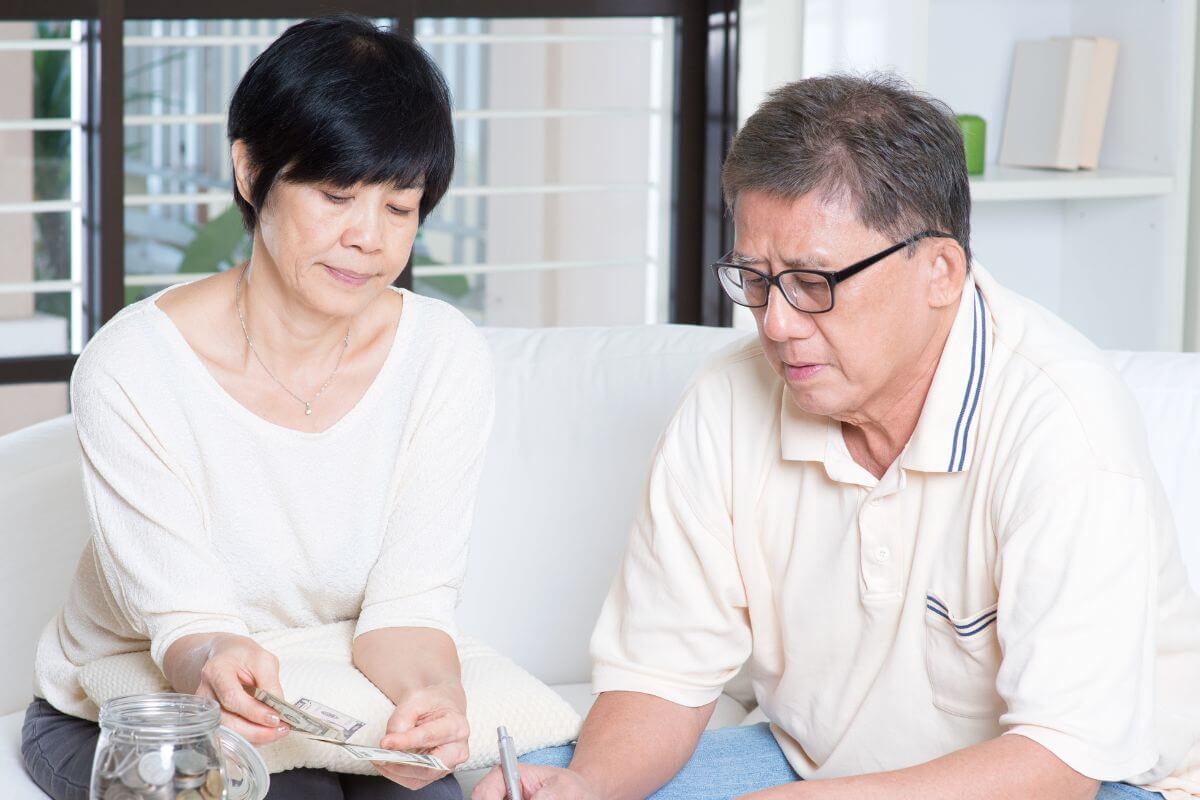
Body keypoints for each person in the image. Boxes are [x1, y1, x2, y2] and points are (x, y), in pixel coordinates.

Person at [473, 74, 1200, 800]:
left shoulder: (1062, 425)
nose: (777, 323)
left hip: (1086, 783)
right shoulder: (728, 398)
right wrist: (588, 785)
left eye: (813, 282)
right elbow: (660, 677)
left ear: (940, 270)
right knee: (552, 780)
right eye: (755, 279)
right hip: (814, 765)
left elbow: (1060, 761)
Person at [22, 14, 492, 800]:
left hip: (335, 696)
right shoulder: (135, 366)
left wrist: (433, 697)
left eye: (400, 207)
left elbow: (407, 609)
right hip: (128, 709)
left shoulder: (443, 355)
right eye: (337, 195)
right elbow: (186, 625)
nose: (369, 238)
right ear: (250, 171)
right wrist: (214, 657)